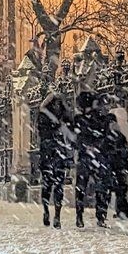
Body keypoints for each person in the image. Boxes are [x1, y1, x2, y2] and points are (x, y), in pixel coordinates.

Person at [35, 91, 74, 227]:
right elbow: (42, 133)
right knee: (47, 186)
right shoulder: (44, 115)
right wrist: (56, 129)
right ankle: (46, 210)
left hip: (59, 154)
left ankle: (57, 215)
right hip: (49, 154)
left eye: (59, 103)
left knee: (58, 186)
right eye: (56, 103)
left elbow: (71, 130)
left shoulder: (64, 115)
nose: (58, 106)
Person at [73, 91, 107, 229]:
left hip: (90, 156)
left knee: (89, 188)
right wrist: (90, 146)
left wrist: (91, 146)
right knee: (94, 187)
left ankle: (93, 216)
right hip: (91, 157)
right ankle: (90, 216)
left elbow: (102, 134)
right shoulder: (82, 119)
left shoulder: (89, 119)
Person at [103, 101, 128, 221]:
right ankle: (105, 213)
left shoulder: (119, 136)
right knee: (111, 191)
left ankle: (121, 212)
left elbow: (125, 151)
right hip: (112, 167)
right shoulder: (108, 137)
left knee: (120, 191)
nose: (112, 124)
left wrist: (123, 163)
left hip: (117, 166)